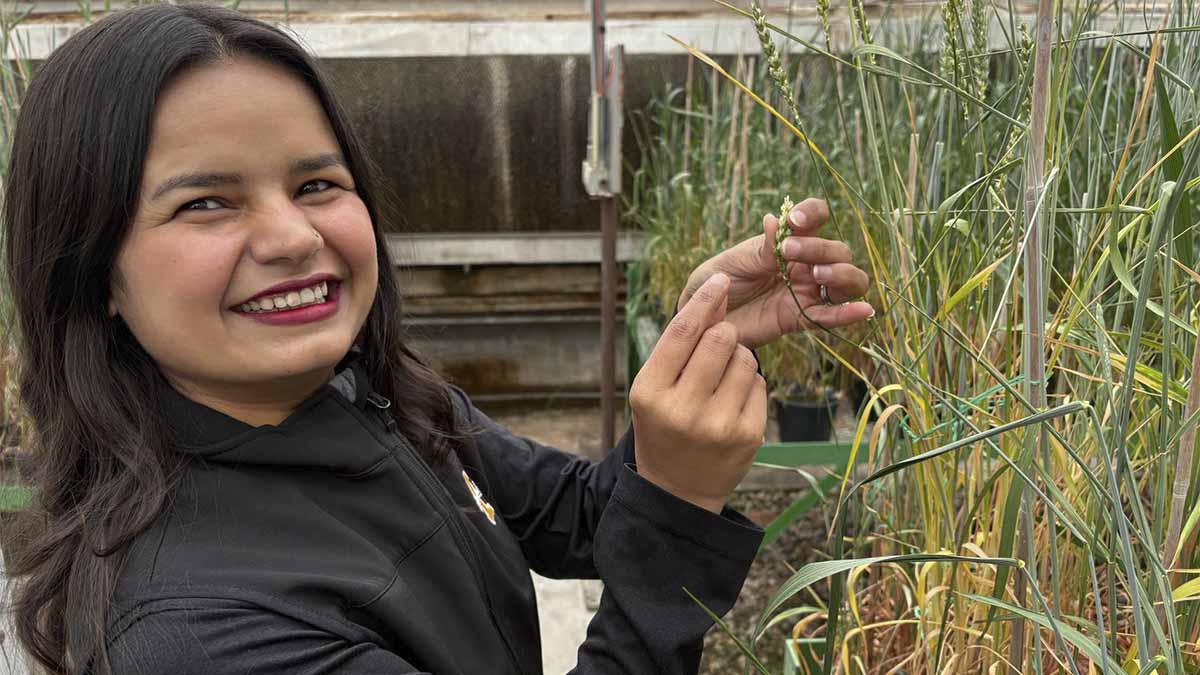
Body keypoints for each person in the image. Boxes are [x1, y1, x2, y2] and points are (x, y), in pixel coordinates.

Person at [0, 5, 873, 675]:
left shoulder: (375, 396)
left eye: (316, 182)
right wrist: (678, 510)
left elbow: (579, 513)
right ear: (93, 272)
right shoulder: (197, 632)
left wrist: (700, 356)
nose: (293, 237)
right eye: (205, 202)